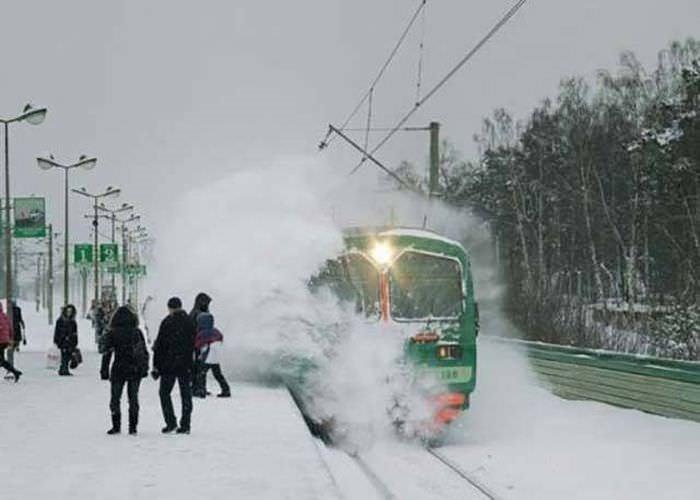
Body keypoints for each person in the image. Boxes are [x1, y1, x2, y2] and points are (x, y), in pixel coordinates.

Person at [101, 306, 148, 435]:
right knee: (133, 399)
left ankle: (116, 426)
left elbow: (106, 352)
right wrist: (144, 368)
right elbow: (143, 351)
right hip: (134, 368)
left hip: (119, 367)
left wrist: (104, 370)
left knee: (115, 398)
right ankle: (133, 427)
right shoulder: (136, 332)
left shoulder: (113, 332)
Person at [152, 297, 196, 434]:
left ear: (170, 308)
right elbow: (194, 343)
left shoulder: (167, 322)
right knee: (186, 395)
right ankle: (186, 424)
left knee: (164, 393)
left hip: (168, 364)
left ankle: (171, 422)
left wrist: (156, 366)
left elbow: (159, 346)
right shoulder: (189, 321)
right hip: (185, 363)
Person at [195, 312, 230, 398]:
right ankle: (226, 390)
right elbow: (221, 339)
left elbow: (197, 344)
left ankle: (201, 390)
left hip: (207, 357)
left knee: (201, 373)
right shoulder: (216, 331)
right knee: (218, 374)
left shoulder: (202, 333)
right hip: (216, 358)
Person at [189, 292, 211, 398]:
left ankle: (199, 387)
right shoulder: (196, 313)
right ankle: (197, 388)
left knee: (200, 366)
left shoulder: (198, 313)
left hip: (200, 343)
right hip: (197, 344)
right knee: (198, 367)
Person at [54, 305, 78, 376]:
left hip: (70, 341)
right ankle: (64, 369)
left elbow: (75, 332)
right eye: (68, 311)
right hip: (63, 340)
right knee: (64, 355)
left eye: (70, 311)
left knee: (68, 355)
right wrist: (57, 340)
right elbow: (57, 331)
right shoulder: (60, 320)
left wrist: (75, 341)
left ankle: (63, 369)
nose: (69, 313)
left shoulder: (73, 321)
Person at [0, 303, 21, 382]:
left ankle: (15, 372)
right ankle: (15, 372)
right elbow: (10, 328)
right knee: (1, 360)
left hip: (1, 340)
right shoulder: (5, 316)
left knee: (1, 361)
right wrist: (10, 338)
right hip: (5, 341)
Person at [6, 301, 25, 368]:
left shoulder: (9, 310)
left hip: (12, 325)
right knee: (17, 337)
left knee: (14, 337)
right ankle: (16, 346)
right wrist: (22, 323)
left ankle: (14, 346)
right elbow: (20, 317)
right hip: (16, 325)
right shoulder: (18, 309)